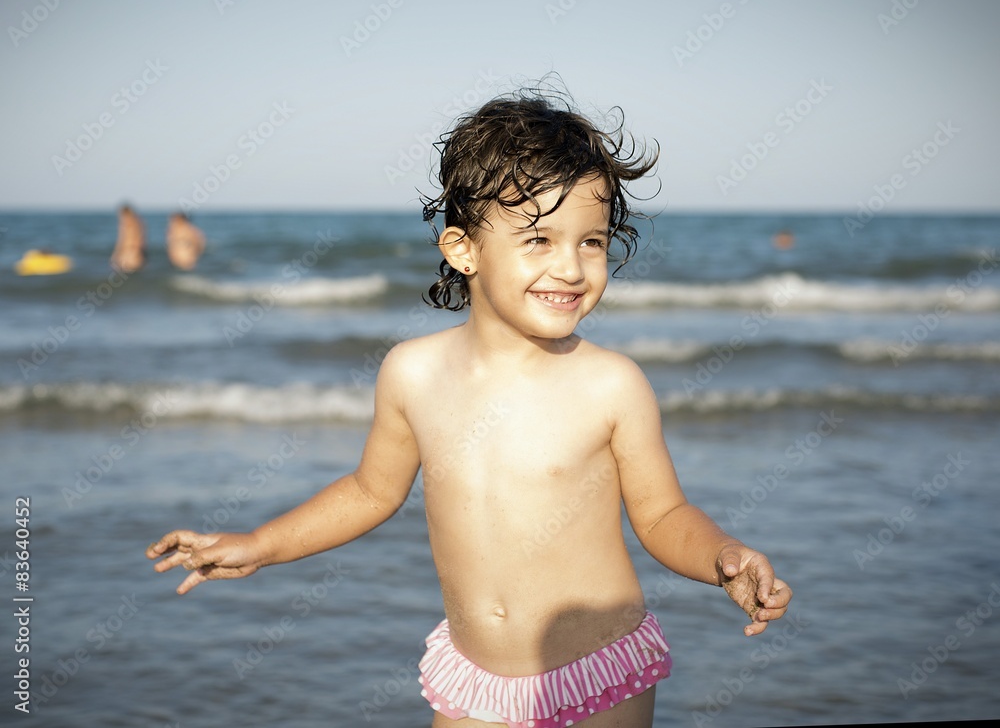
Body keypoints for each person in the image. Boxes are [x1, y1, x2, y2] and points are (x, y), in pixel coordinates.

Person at [147, 90, 792, 728]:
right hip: (473, 680)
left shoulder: (610, 385)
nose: (571, 267)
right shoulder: (413, 373)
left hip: (600, 673)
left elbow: (663, 515)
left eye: (591, 242)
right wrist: (260, 544)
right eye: (538, 239)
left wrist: (722, 558)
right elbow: (370, 491)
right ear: (462, 250)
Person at [110, 203, 146, 273]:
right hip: (136, 254)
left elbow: (121, 241)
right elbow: (142, 241)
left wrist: (115, 255)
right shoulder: (139, 222)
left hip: (128, 254)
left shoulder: (126, 224)